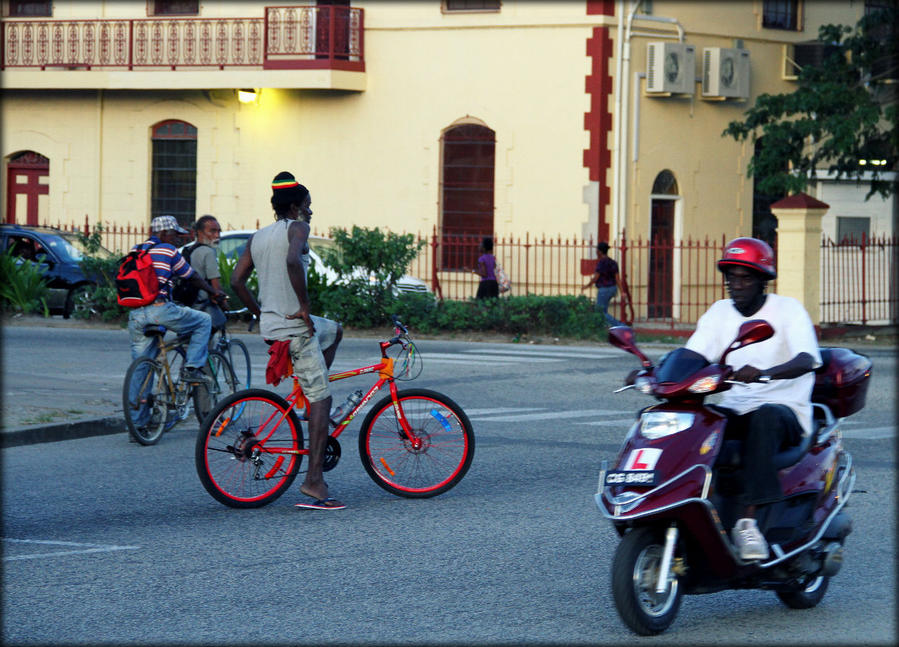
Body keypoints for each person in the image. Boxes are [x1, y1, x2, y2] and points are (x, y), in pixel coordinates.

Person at [683, 237, 821, 561]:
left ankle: (749, 523)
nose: (737, 285)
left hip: (783, 411)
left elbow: (806, 359)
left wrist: (765, 373)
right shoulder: (719, 312)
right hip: (734, 408)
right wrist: (657, 374)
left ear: (763, 280)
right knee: (688, 422)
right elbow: (693, 354)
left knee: (764, 419)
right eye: (731, 277)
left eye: (745, 277)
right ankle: (692, 508)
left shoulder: (787, 310)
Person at [230, 171, 345, 511]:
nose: (311, 212)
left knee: (334, 330)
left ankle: (308, 392)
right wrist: (304, 306)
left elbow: (237, 280)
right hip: (294, 328)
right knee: (323, 400)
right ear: (295, 207)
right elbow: (293, 259)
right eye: (308, 206)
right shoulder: (298, 228)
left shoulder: (258, 236)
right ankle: (313, 481)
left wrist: (260, 312)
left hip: (272, 325)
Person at [126, 216, 227, 430]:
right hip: (160, 309)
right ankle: (191, 367)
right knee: (203, 321)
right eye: (175, 235)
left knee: (141, 368)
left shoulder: (136, 249)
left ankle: (138, 425)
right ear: (163, 234)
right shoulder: (168, 251)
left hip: (135, 315)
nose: (179, 241)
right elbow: (191, 277)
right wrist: (213, 292)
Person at [186, 215, 227, 332]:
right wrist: (223, 304)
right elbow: (216, 286)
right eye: (212, 231)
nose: (217, 235)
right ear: (199, 232)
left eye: (219, 231)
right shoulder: (208, 252)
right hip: (202, 307)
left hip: (187, 305)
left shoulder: (189, 250)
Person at [581, 241, 623, 326]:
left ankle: (620, 325)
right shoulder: (613, 262)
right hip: (613, 288)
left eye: (597, 250)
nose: (596, 252)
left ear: (600, 251)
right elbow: (617, 279)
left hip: (604, 289)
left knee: (600, 311)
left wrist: (587, 285)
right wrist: (622, 291)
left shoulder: (601, 263)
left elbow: (596, 277)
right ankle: (605, 328)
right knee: (604, 310)